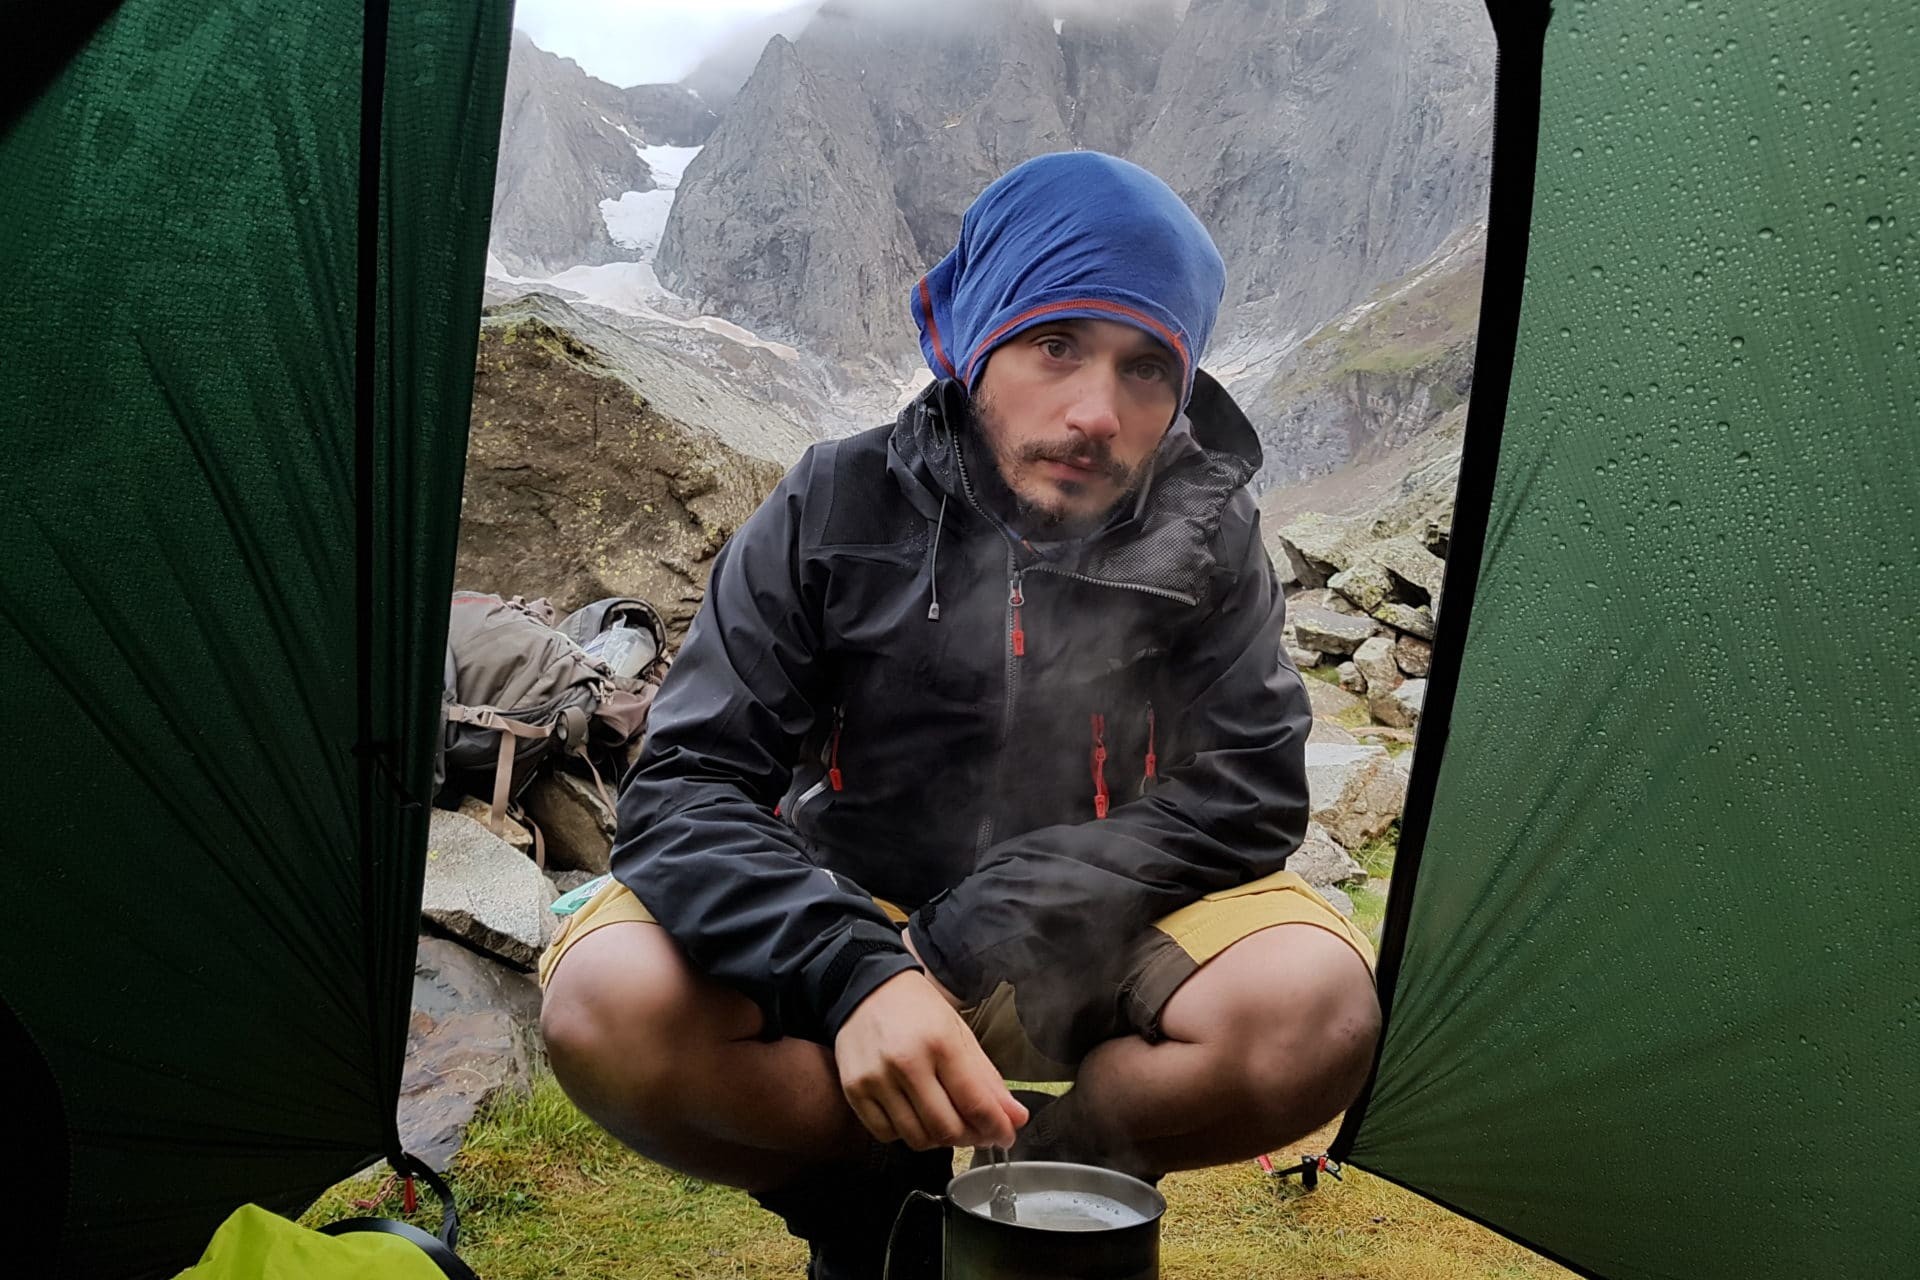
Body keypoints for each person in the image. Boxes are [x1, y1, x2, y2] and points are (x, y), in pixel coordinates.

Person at [537, 151, 1381, 1279]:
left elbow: (1249, 789)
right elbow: (688, 782)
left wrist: (969, 932)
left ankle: (1052, 1174)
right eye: (1057, 344)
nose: (1096, 410)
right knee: (607, 1004)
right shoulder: (836, 498)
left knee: (1316, 1010)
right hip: (853, 906)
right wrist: (858, 968)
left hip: (1106, 927)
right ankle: (873, 1199)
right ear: (977, 337)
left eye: (1147, 369)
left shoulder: (1206, 528)